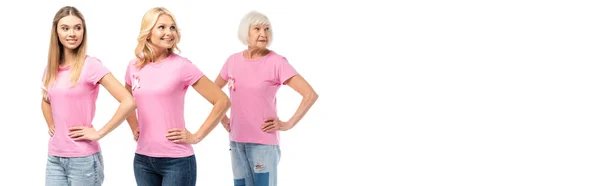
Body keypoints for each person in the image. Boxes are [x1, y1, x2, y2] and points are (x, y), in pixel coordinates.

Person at [123, 7, 231, 186]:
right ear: (148, 33)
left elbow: (222, 101)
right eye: (162, 27)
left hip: (177, 161)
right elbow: (126, 100)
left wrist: (197, 136)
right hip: (142, 160)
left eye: (172, 28)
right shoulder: (134, 65)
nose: (169, 33)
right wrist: (134, 126)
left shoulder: (182, 66)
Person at [214, 11, 319, 186]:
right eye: (257, 28)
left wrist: (288, 123)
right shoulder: (232, 61)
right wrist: (223, 119)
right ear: (245, 32)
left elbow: (310, 94)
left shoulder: (277, 62)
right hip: (236, 140)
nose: (263, 33)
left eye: (267, 29)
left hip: (263, 143)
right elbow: (213, 91)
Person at [41, 6, 137, 186]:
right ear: (56, 32)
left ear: (83, 31)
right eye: (65, 28)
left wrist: (100, 133)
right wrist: (52, 125)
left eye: (78, 28)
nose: (72, 33)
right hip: (55, 157)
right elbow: (46, 101)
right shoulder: (50, 69)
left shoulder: (91, 66)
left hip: (83, 159)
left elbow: (128, 101)